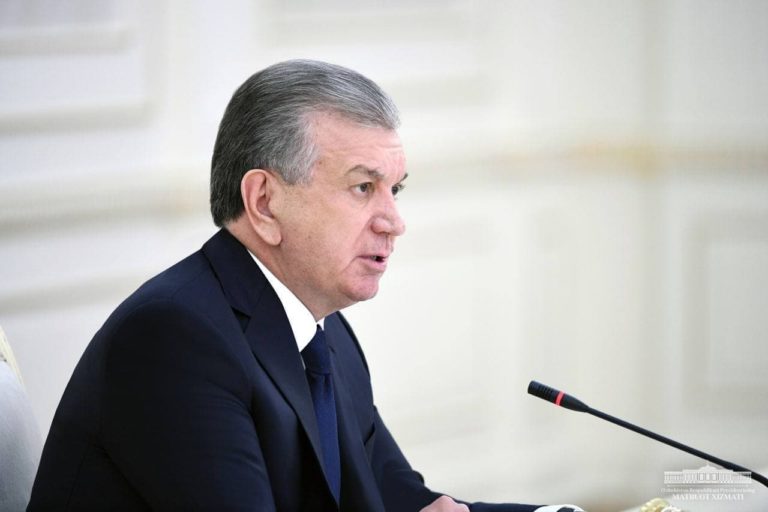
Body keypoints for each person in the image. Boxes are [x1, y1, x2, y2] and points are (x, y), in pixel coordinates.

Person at [28, 60, 581, 511]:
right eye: (363, 187)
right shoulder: (173, 338)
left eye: (394, 190)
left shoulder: (322, 330)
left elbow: (402, 501)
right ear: (265, 202)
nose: (394, 222)